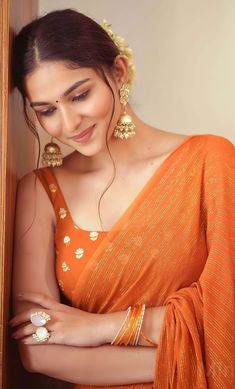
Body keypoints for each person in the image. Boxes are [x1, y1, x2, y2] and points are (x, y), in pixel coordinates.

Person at [10, 8, 235, 389]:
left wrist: (100, 328)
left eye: (79, 95)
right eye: (47, 111)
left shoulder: (210, 162)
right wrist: (183, 359)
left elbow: (227, 311)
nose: (68, 125)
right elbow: (39, 349)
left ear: (118, 72)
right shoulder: (39, 192)